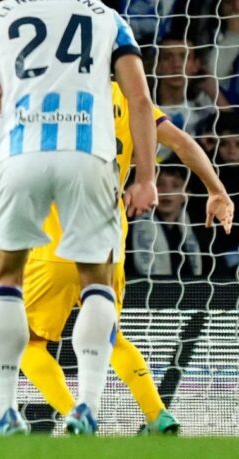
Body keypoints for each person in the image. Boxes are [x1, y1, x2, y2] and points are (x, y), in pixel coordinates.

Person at [0, 0, 159, 435]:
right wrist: (145, 177)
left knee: (6, 278)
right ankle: (86, 408)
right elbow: (139, 99)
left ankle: (5, 412)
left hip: (19, 154)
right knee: (97, 281)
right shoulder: (106, 16)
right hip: (89, 157)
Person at [21, 82, 233, 434]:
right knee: (110, 336)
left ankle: (77, 414)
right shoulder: (131, 101)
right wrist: (217, 190)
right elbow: (182, 142)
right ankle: (158, 414)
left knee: (24, 341)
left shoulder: (48, 93)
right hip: (108, 241)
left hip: (54, 242)